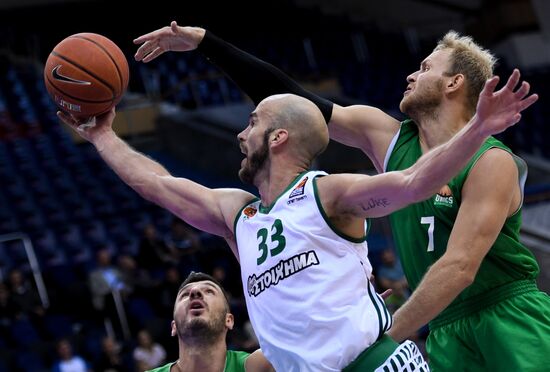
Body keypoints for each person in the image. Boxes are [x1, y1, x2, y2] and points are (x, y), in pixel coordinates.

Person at [133, 23, 550, 371]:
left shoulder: (491, 160)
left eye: (424, 68)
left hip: (505, 315)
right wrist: (207, 44)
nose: (410, 75)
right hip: (443, 327)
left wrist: (381, 334)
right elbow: (293, 101)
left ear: (453, 83)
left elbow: (460, 268)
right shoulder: (386, 136)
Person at [148, 271, 273, 372]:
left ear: (228, 320)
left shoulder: (259, 366)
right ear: (174, 326)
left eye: (209, 291)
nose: (194, 292)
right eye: (185, 295)